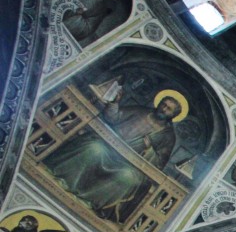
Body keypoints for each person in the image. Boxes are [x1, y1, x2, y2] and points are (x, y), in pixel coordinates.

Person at [47, 87, 184, 219]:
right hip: (108, 147)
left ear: (174, 115)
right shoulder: (140, 111)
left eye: (169, 109)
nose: (164, 109)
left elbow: (159, 163)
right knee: (93, 149)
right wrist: (115, 103)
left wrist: (149, 150)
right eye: (163, 104)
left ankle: (91, 201)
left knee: (127, 178)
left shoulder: (168, 136)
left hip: (129, 165)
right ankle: (66, 181)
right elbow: (114, 118)